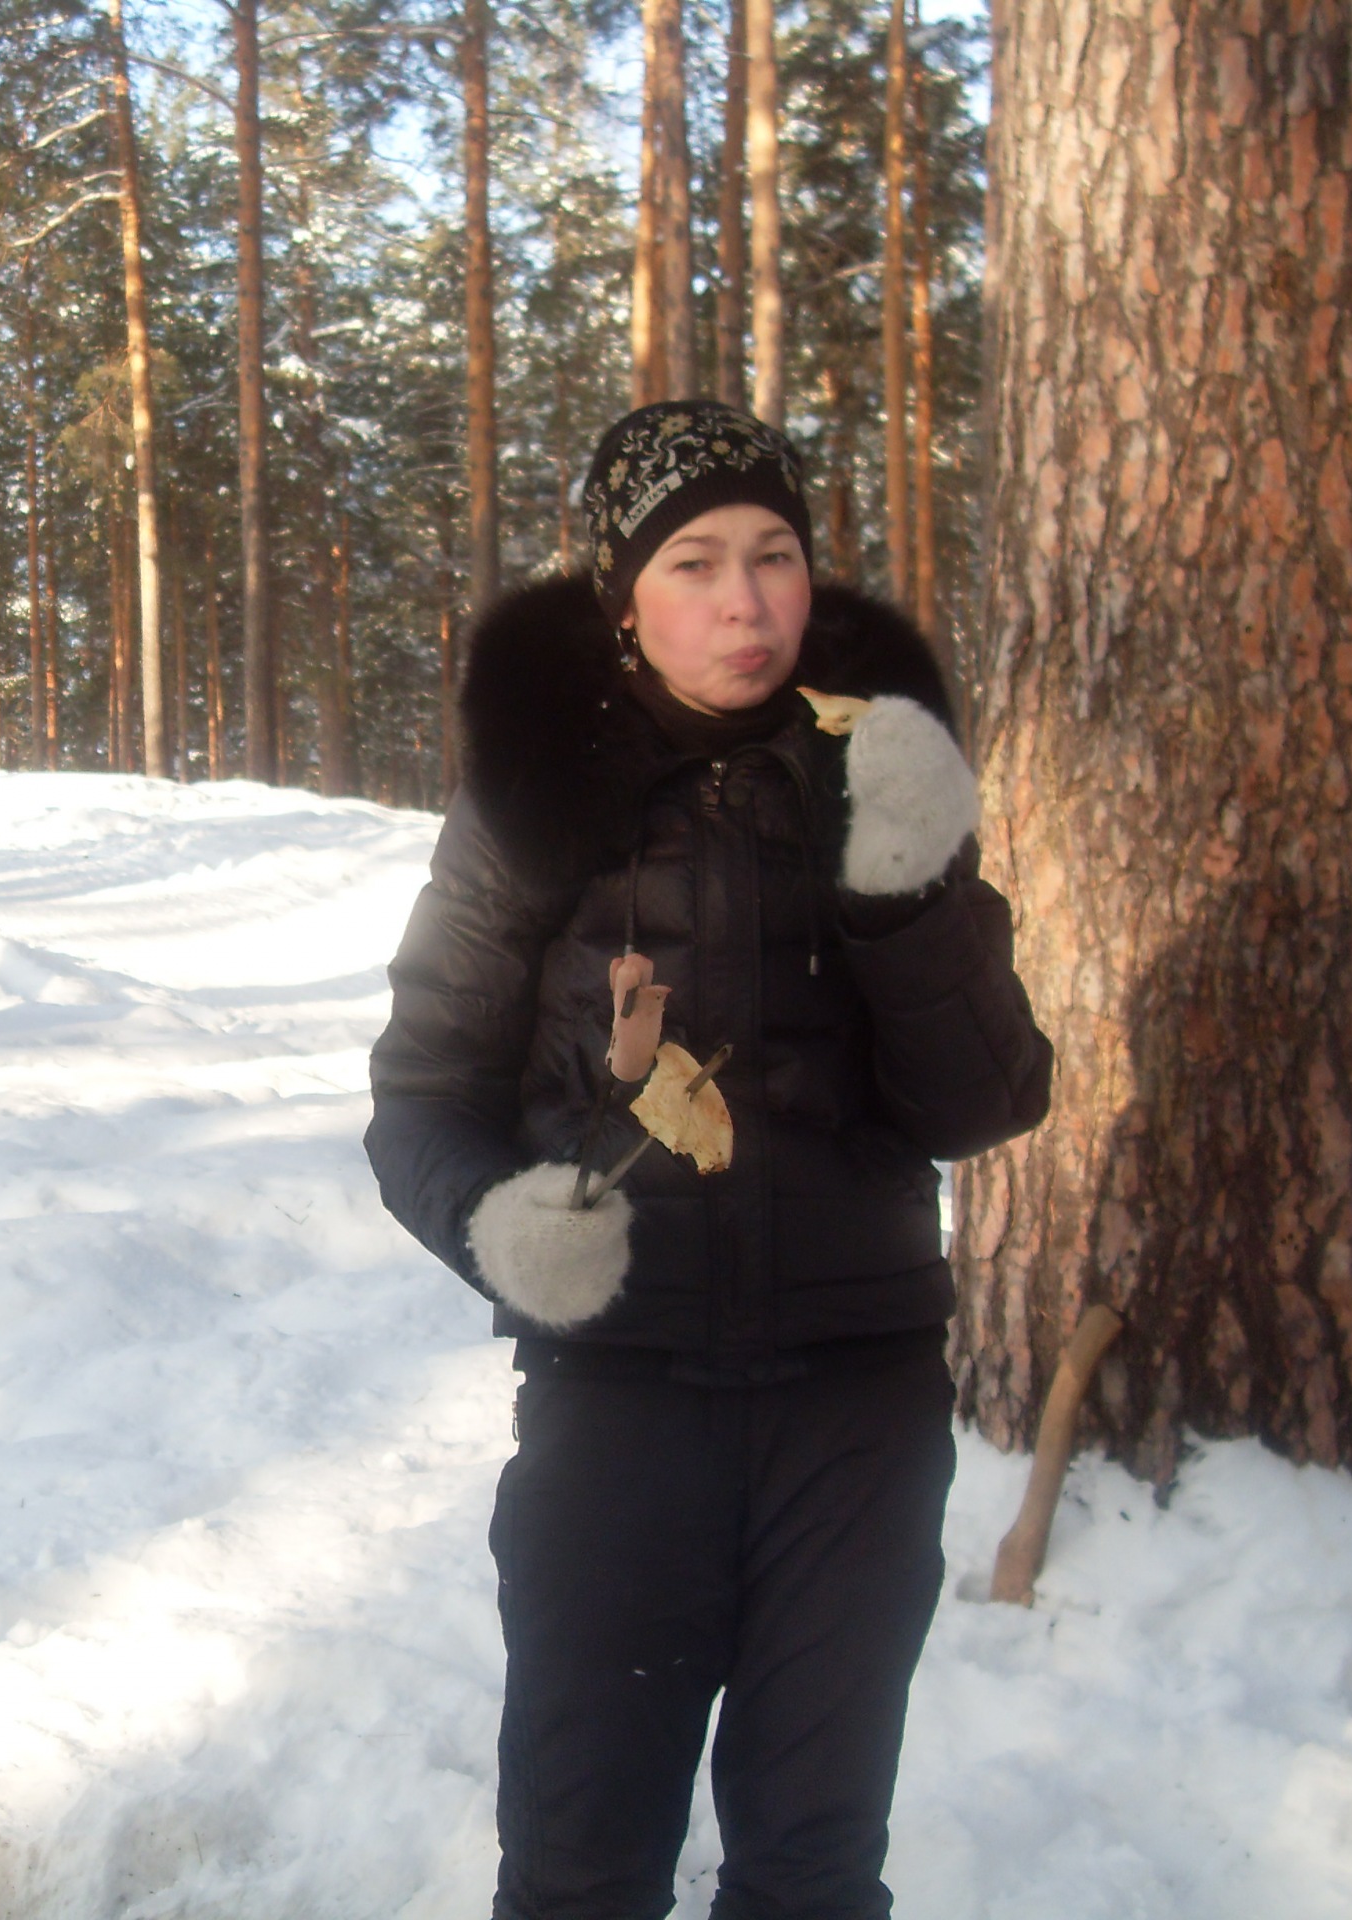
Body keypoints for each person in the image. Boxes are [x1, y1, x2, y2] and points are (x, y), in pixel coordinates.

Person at [366, 400, 1053, 1920]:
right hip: (621, 1401)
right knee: (581, 1865)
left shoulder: (882, 769)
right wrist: (493, 1224)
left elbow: (986, 1101)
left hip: (856, 1405)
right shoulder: (533, 802)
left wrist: (904, 894)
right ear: (624, 600)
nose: (746, 601)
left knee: (815, 1871)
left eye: (774, 554)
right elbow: (417, 1097)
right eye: (694, 563)